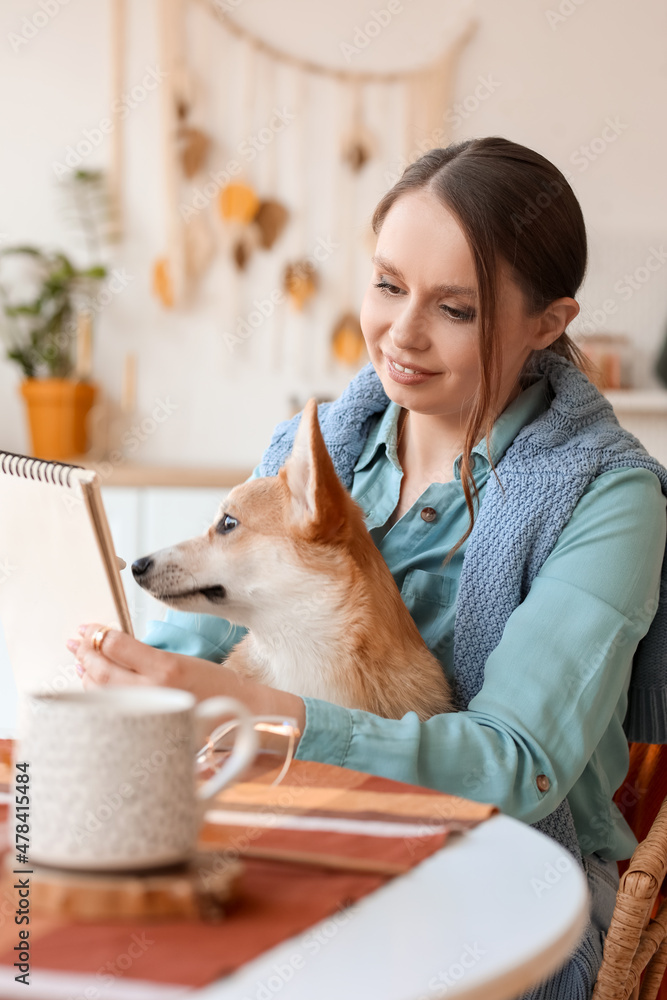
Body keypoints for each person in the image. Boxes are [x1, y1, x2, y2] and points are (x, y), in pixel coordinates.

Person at [69, 137, 667, 999]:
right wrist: (124, 673)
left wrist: (260, 714)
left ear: (548, 323)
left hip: (508, 881)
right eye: (387, 285)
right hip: (293, 835)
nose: (401, 335)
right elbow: (188, 643)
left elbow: (516, 766)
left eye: (455, 310)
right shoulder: (316, 451)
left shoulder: (604, 498)